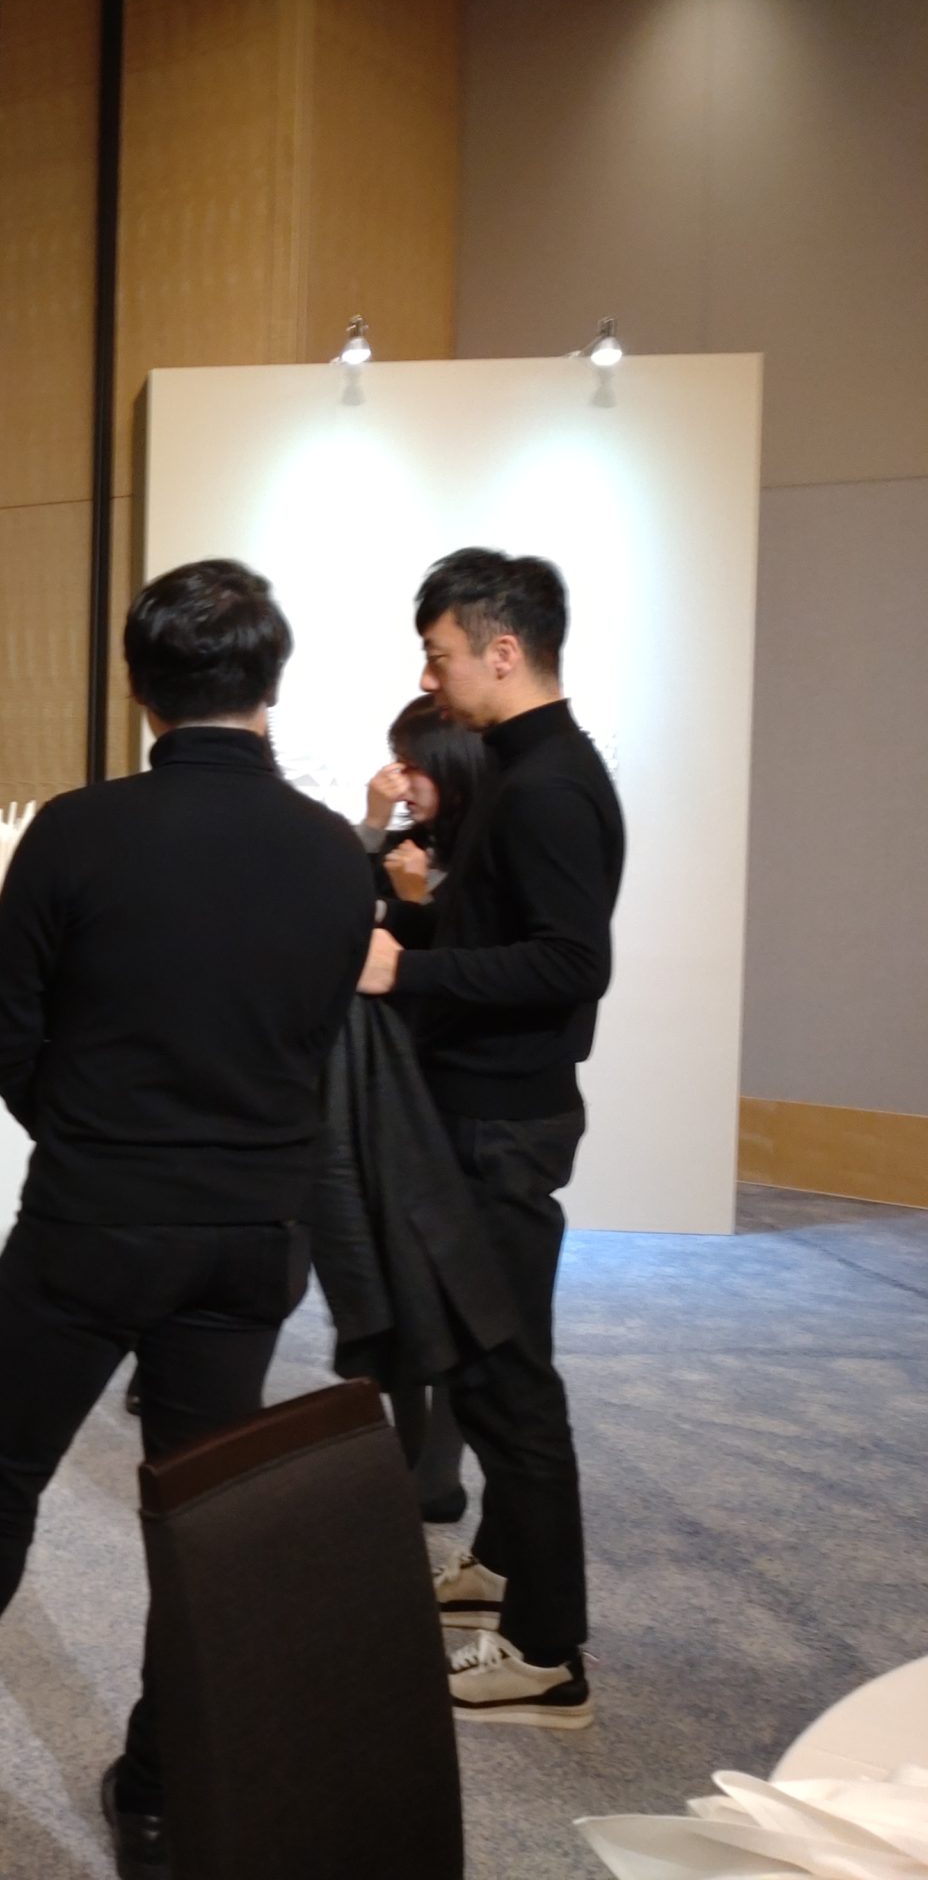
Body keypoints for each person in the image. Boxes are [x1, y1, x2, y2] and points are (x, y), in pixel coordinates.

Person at [0, 560, 373, 1879]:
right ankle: (158, 1793)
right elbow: (314, 1038)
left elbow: (5, 1031)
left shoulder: (78, 831)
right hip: (251, 1231)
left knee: (0, 1475)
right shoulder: (335, 854)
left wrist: (92, 1135)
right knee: (197, 1512)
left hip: (93, 1215)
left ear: (139, 690)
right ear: (271, 685)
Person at [359, 547, 624, 1729]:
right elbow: (504, 933)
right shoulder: (524, 772)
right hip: (488, 1109)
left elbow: (569, 963)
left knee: (508, 1383)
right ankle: (503, 1569)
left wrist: (408, 970)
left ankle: (547, 1653)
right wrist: (416, 926)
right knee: (495, 1358)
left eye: (441, 655)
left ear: (502, 652)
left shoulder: (552, 784)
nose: (431, 676)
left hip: (502, 1121)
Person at [356, 692, 495, 1524]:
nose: (400, 780)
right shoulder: (413, 844)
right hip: (398, 1085)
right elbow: (345, 907)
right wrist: (376, 830)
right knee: (394, 1286)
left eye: (412, 766)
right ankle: (416, 1464)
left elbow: (475, 965)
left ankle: (436, 1469)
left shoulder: (484, 851)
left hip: (458, 1092)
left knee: (451, 1293)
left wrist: (416, 907)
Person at [358, 693, 492, 910]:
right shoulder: (402, 848)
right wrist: (374, 823)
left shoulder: (490, 856)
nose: (400, 782)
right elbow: (340, 901)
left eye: (412, 766)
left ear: (456, 766)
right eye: (398, 764)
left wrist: (415, 896)